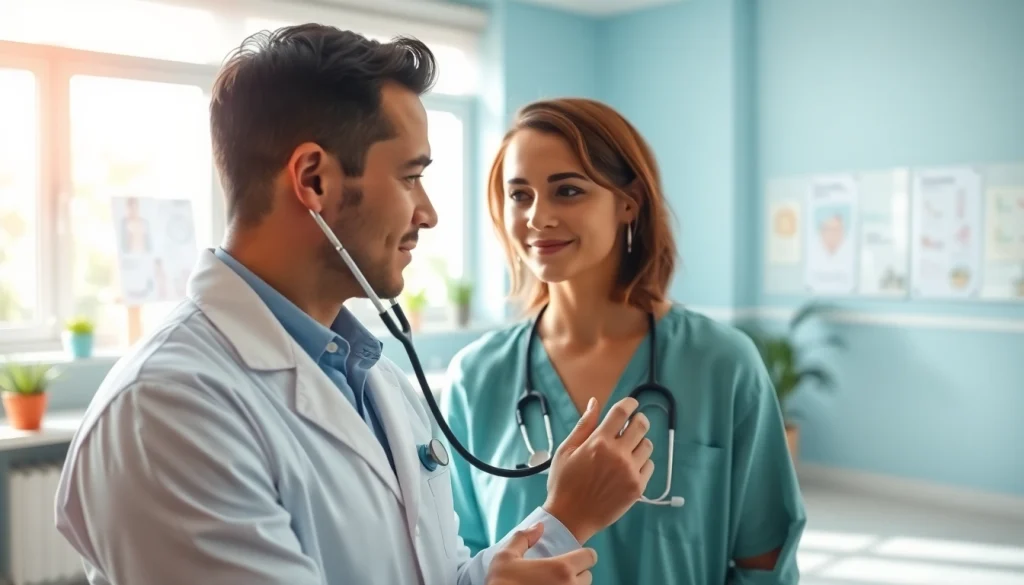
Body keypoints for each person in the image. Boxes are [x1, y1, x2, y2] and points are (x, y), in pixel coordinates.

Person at [53, 26, 656, 585]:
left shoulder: (373, 379)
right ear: (314, 180)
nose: (428, 213)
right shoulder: (167, 411)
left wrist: (557, 526)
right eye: (410, 177)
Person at [440, 98, 808, 584]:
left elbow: (764, 563)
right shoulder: (476, 377)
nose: (537, 217)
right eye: (520, 195)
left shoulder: (723, 364)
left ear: (628, 201)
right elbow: (457, 561)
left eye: (567, 191)